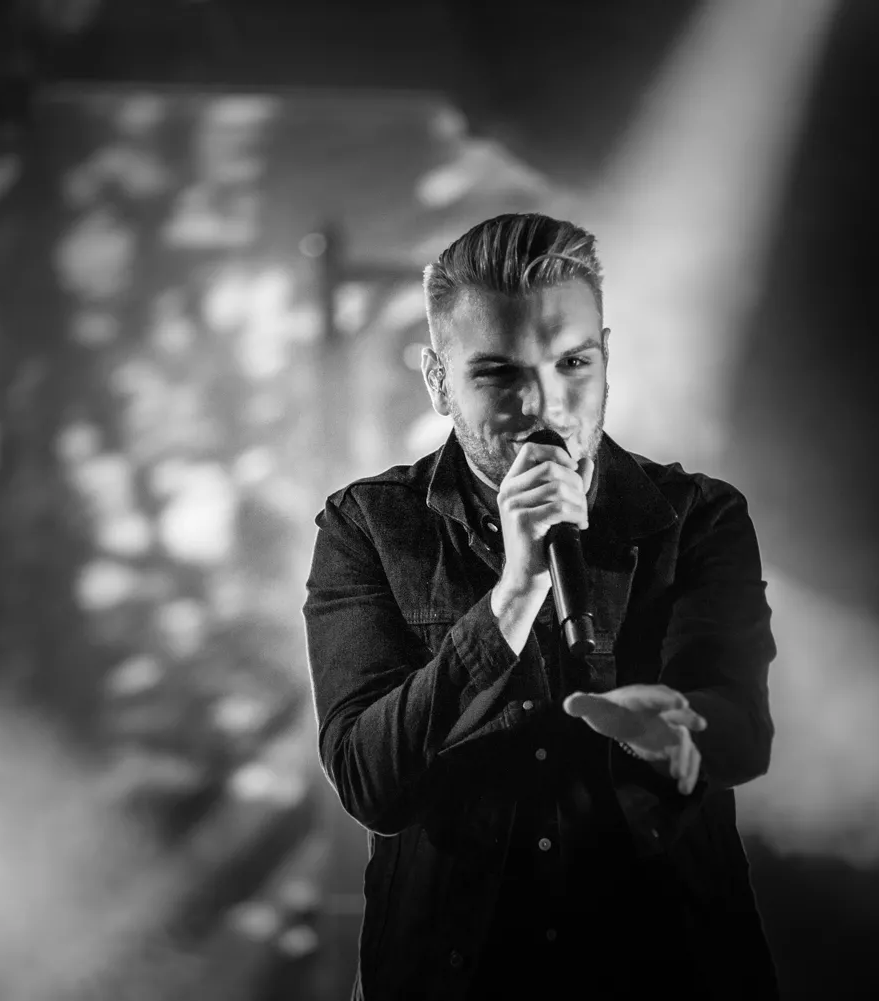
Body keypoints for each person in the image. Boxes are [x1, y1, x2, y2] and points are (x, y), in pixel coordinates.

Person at [303, 213, 780, 999]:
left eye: (573, 363)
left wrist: (677, 733)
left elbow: (742, 733)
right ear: (438, 380)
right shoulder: (369, 527)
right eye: (498, 373)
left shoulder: (697, 516)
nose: (547, 404)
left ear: (606, 358)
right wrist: (513, 595)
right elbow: (369, 780)